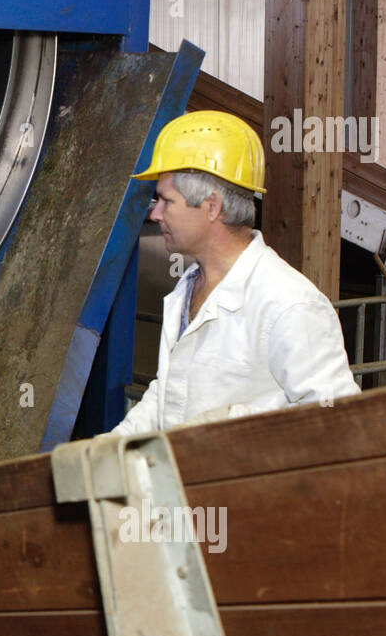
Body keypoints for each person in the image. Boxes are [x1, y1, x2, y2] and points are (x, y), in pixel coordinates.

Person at [111, 110, 359, 436]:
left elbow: (337, 421)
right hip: (191, 483)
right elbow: (167, 395)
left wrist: (231, 426)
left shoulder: (289, 304)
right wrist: (109, 450)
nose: (155, 213)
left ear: (212, 206)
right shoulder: (187, 289)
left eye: (165, 201)